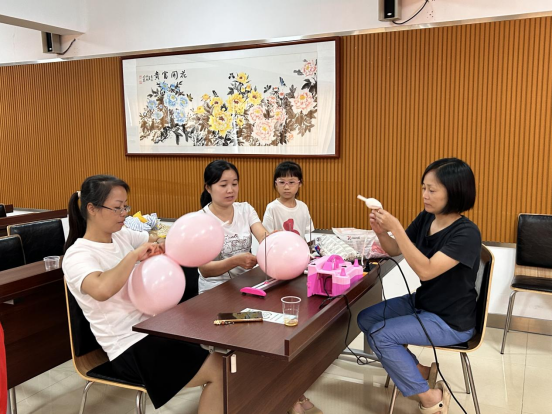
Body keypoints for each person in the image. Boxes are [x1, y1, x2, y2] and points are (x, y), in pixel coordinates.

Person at [63, 175, 223, 413]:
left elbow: (154, 238)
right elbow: (101, 289)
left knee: (225, 360)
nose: (124, 214)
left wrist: (161, 244)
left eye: (125, 206)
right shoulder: (78, 255)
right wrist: (133, 256)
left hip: (152, 330)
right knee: (219, 370)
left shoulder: (121, 235)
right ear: (92, 208)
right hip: (126, 347)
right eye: (117, 208)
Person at [357, 158, 482, 415]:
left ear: (455, 192)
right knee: (366, 318)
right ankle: (419, 371)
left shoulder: (467, 233)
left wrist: (396, 228)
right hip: (424, 302)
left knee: (381, 335)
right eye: (423, 187)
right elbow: (395, 249)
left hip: (450, 320)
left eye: (432, 190)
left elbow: (426, 269)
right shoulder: (427, 218)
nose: (425, 195)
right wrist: (381, 232)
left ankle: (431, 398)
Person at [198, 161, 322, 414]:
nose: (230, 190)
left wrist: (276, 240)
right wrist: (234, 261)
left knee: (281, 331)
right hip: (214, 297)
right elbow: (205, 269)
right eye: (223, 184)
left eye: (234, 183)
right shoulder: (201, 220)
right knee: (264, 337)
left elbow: (263, 235)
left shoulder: (245, 210)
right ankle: (285, 397)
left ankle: (288, 393)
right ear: (208, 188)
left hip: (243, 289)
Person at [263, 161, 314, 241]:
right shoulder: (272, 208)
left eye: (291, 182)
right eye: (282, 182)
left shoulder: (303, 207)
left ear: (299, 183)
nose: (286, 187)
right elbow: (266, 237)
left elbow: (307, 234)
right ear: (276, 184)